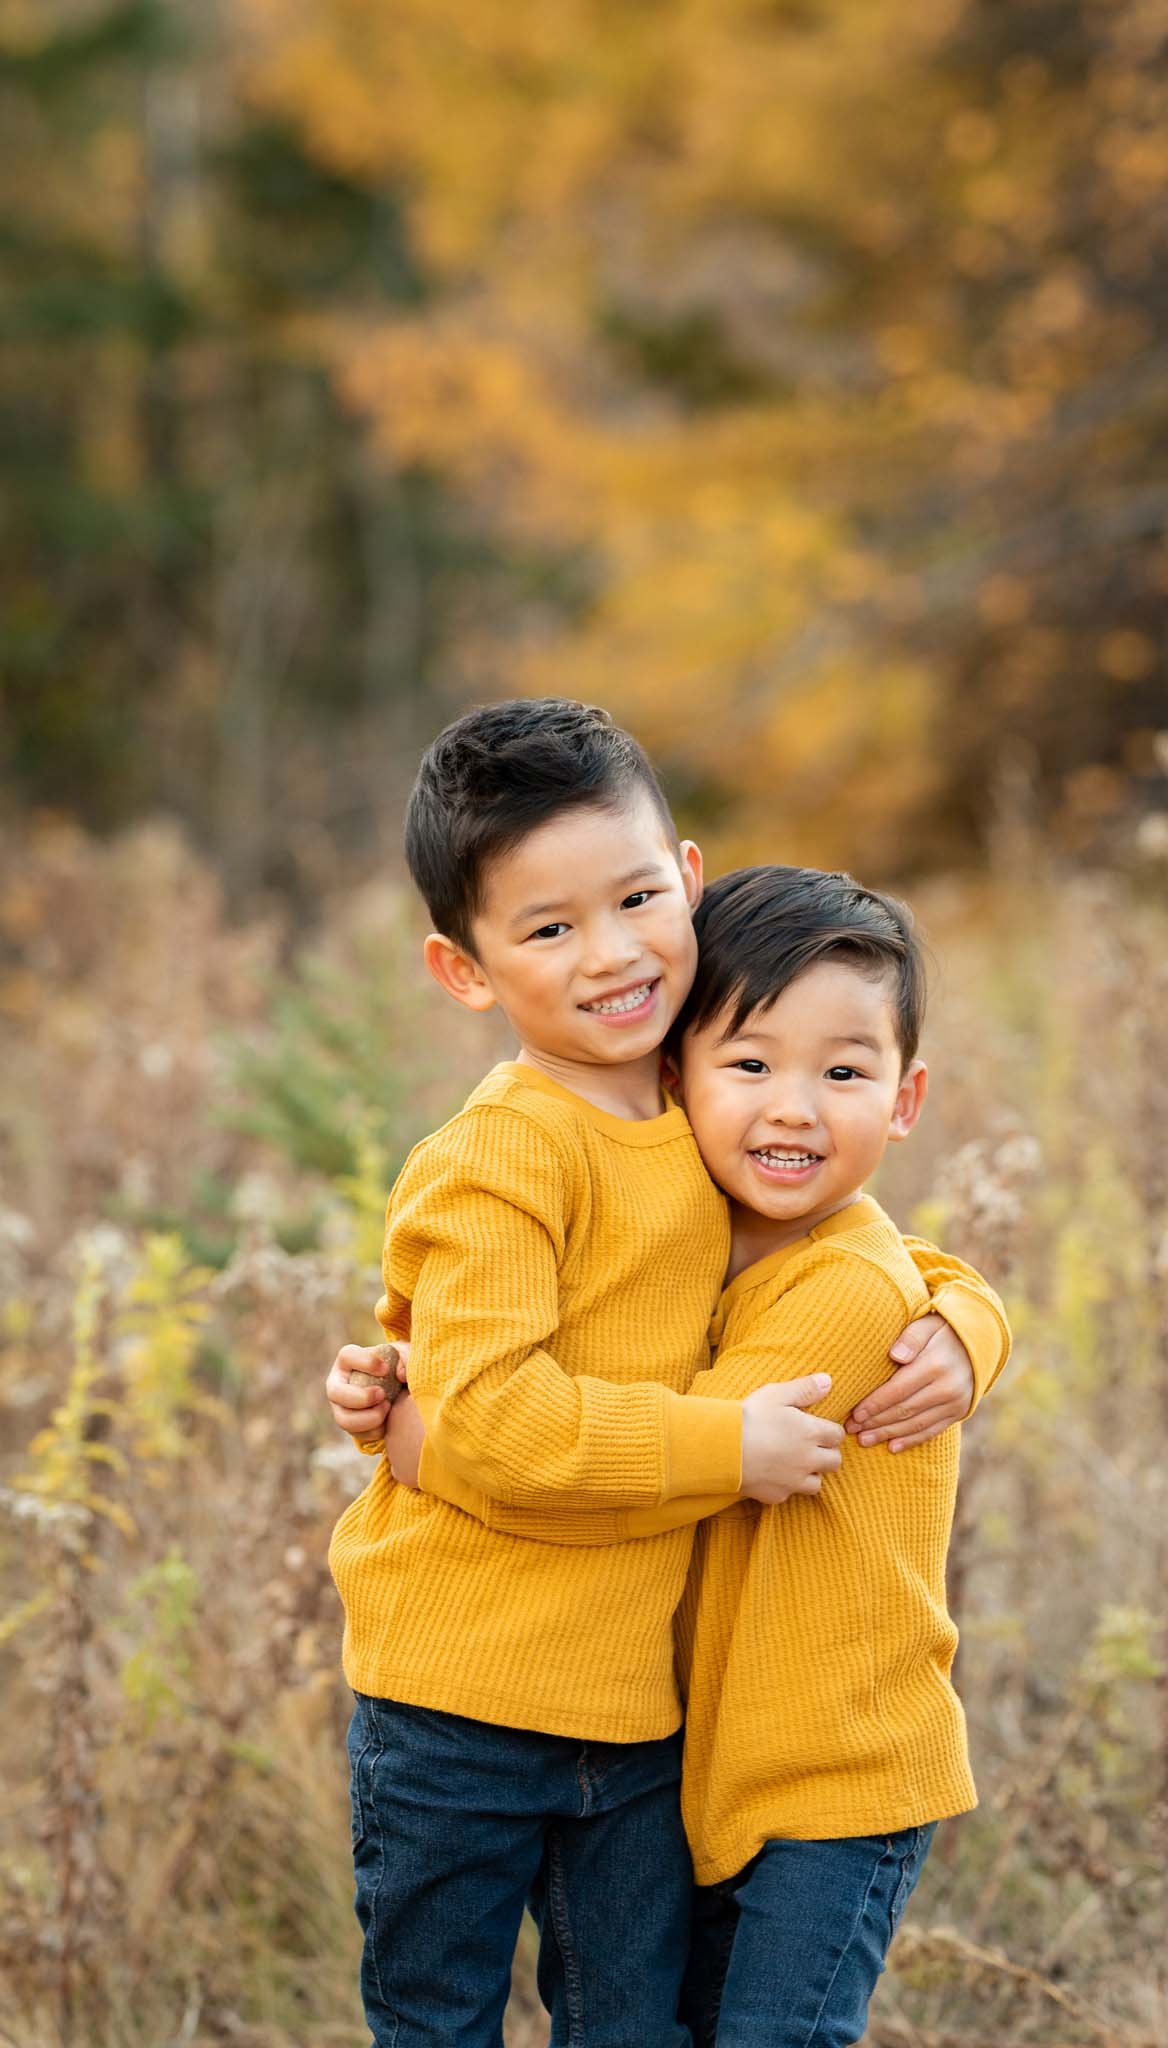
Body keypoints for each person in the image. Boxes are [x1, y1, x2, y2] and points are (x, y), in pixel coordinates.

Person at [327, 698, 1008, 2047]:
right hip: (462, 1691)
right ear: (468, 971)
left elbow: (830, 1245)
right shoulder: (504, 1156)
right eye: (549, 928)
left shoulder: (687, 1113)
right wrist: (426, 1431)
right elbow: (500, 1417)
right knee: (438, 2019)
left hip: (635, 1723)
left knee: (626, 2024)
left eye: (636, 899)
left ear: (687, 881)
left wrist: (965, 1314)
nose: (613, 954)